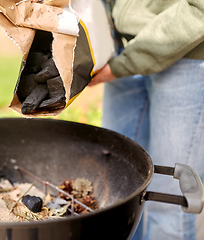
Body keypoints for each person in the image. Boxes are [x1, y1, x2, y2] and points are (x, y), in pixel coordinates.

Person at [90, 0, 204, 239]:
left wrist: (128, 62)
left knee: (169, 202)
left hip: (187, 52)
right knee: (117, 188)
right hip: (121, 47)